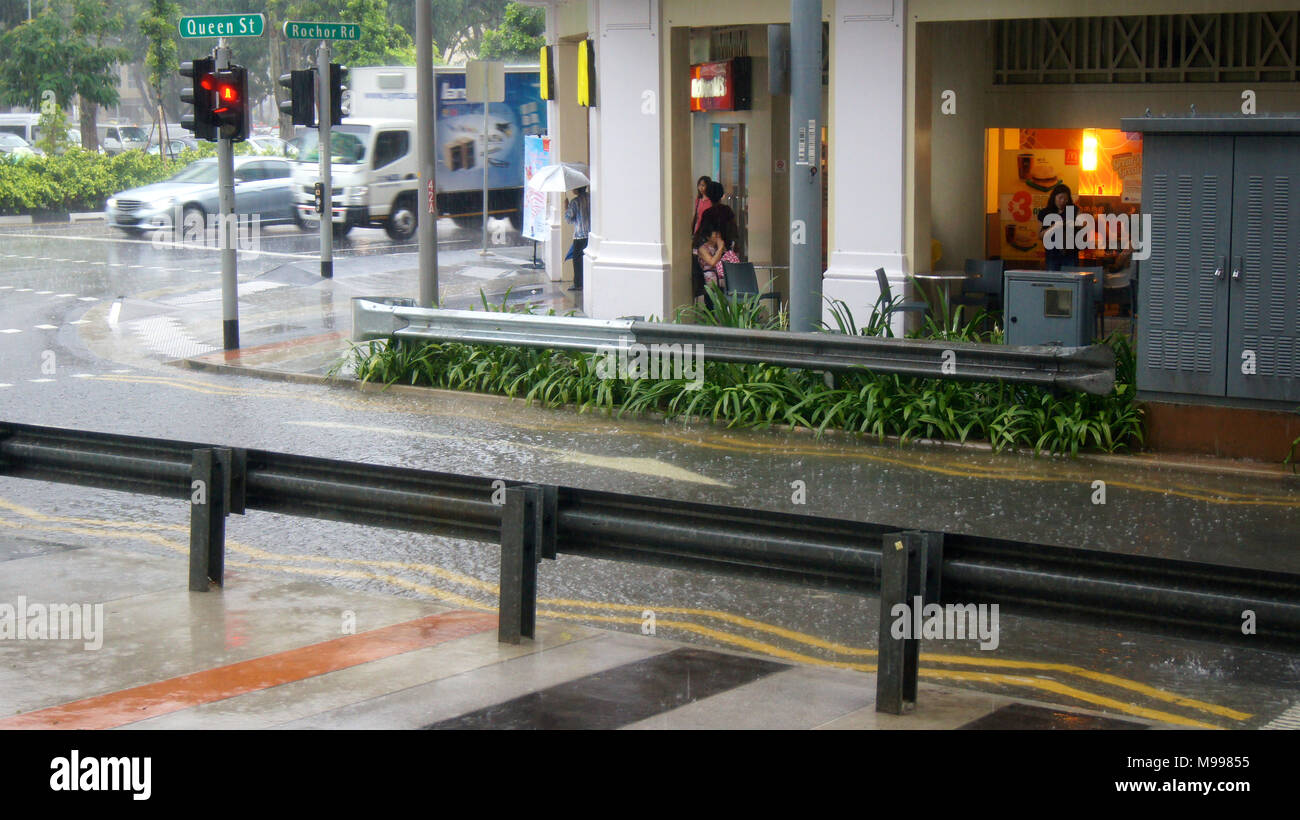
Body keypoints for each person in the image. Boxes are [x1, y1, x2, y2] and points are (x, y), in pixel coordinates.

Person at [694, 221, 739, 309]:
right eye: (715, 234)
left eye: (719, 234)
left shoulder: (717, 247)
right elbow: (712, 262)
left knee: (735, 282)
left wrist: (723, 249)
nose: (718, 237)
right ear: (708, 236)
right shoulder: (702, 249)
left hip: (720, 275)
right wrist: (720, 248)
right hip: (709, 276)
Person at [1037, 183, 1079, 271]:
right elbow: (1040, 235)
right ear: (1054, 197)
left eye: (1065, 199)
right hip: (1052, 255)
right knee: (1053, 283)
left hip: (1070, 255)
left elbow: (1082, 226)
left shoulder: (1074, 210)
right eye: (1060, 198)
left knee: (1071, 282)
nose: (1063, 201)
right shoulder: (1044, 212)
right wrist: (1053, 227)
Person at [700, 180, 740, 257]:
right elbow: (734, 230)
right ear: (721, 194)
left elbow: (703, 233)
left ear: (708, 195)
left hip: (711, 252)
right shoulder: (727, 210)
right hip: (727, 249)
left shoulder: (707, 213)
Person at [564, 186, 590, 291]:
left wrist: (566, 207)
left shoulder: (575, 202)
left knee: (577, 260)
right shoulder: (590, 198)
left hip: (580, 235)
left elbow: (569, 218)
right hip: (590, 233)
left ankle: (578, 283)